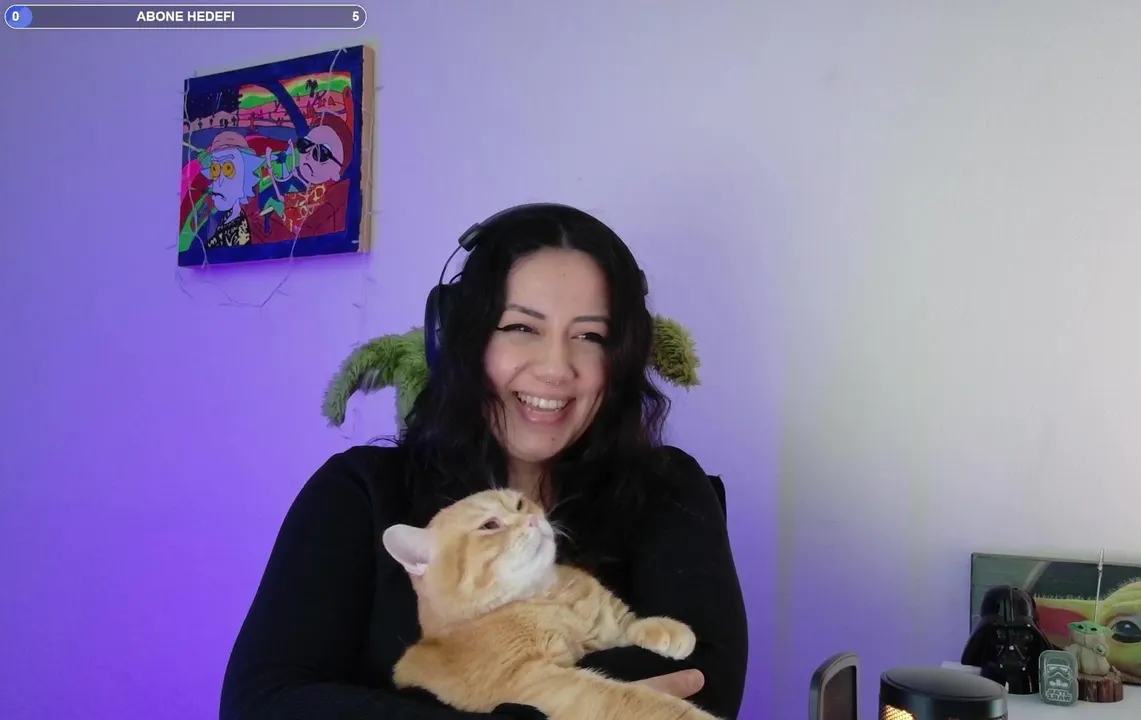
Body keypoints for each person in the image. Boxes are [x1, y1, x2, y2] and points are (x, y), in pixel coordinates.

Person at [219, 203, 750, 719]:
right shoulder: (358, 492)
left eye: (590, 336)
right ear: (459, 338)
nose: (556, 369)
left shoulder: (668, 489)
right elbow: (264, 704)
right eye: (522, 328)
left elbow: (700, 685)